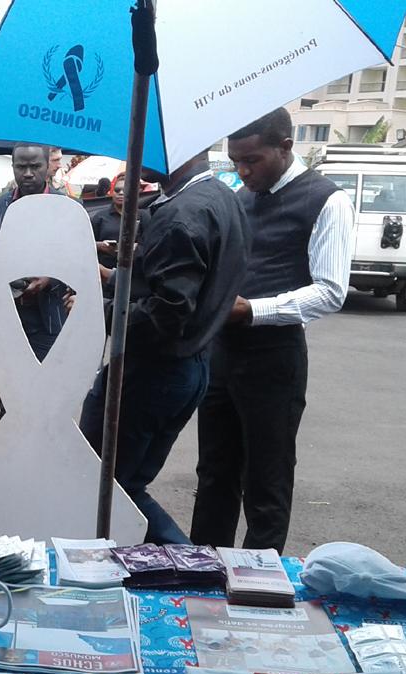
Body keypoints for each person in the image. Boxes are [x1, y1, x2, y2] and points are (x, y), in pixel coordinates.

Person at [190, 107, 352, 554]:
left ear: (285, 147)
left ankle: (259, 578)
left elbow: (331, 292)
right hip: (221, 352)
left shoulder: (326, 199)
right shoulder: (240, 198)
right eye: (235, 162)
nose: (243, 171)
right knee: (214, 473)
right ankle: (203, 569)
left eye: (252, 160)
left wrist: (253, 311)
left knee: (267, 479)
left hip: (274, 358)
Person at [80, 154, 250, 544]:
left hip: (155, 371)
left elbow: (168, 312)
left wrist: (100, 311)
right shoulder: (221, 198)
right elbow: (177, 283)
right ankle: (185, 563)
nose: (138, 158)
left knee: (108, 484)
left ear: (183, 149)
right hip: (188, 365)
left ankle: (191, 562)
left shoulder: (183, 214)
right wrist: (113, 278)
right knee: (123, 481)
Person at [0, 143, 69, 363]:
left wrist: (49, 279)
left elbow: (78, 263)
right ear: (13, 167)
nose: (28, 173)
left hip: (50, 317)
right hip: (6, 318)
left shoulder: (67, 208)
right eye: (21, 167)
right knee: (8, 381)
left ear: (47, 166)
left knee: (49, 380)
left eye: (35, 166)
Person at [91, 170, 151, 274]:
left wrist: (136, 247)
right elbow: (86, 244)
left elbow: (152, 244)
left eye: (125, 190)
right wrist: (101, 246)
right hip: (104, 271)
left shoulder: (143, 216)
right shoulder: (100, 217)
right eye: (117, 190)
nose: (121, 193)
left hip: (135, 273)